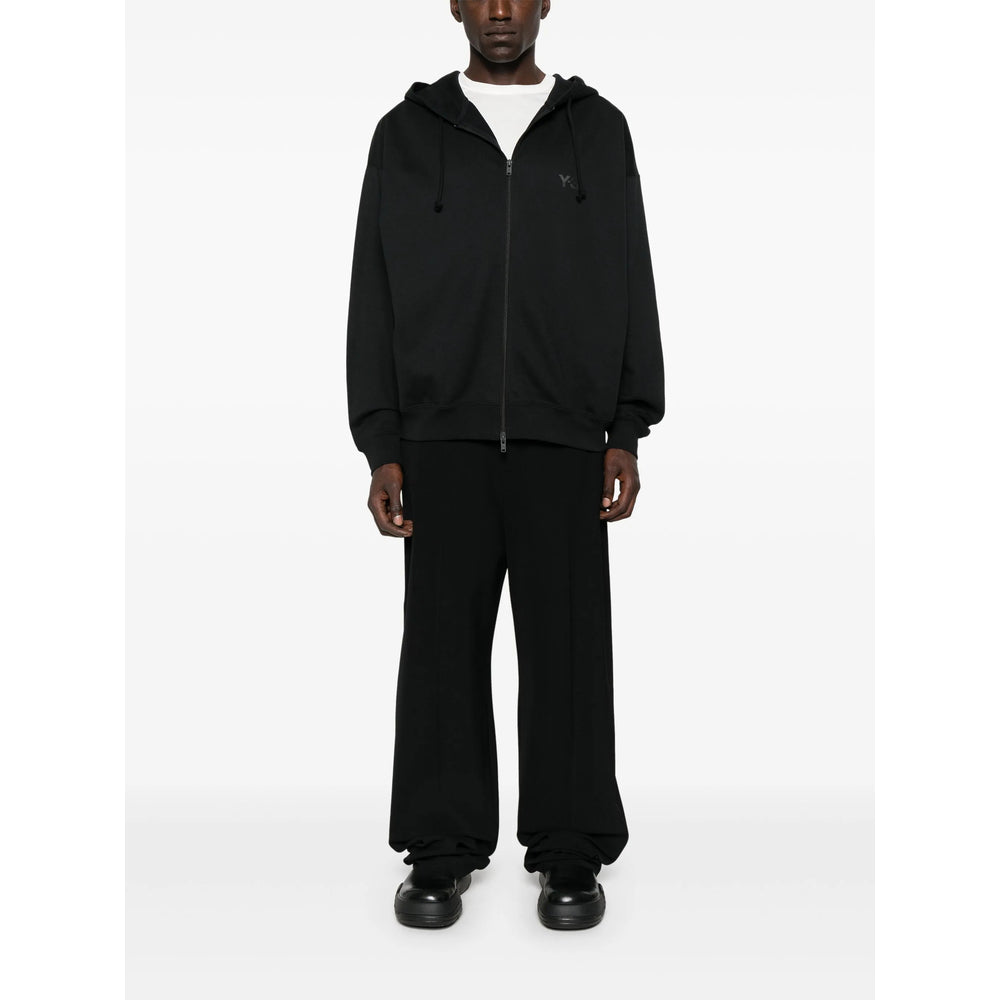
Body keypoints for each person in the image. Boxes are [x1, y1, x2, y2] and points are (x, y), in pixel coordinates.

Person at [345, 0, 665, 930]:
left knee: (569, 652)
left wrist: (626, 426)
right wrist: (381, 440)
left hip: (564, 439)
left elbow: (631, 274)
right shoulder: (406, 135)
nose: (498, 9)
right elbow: (373, 290)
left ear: (544, 2)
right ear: (453, 3)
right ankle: (439, 848)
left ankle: (570, 849)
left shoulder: (597, 132)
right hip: (439, 441)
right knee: (441, 652)